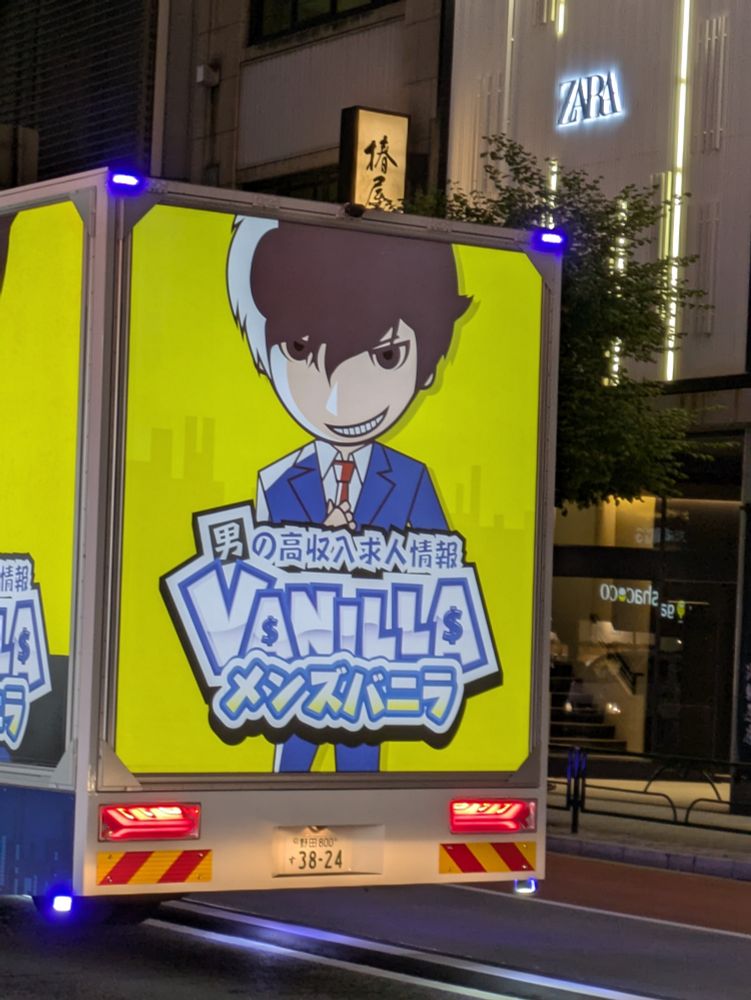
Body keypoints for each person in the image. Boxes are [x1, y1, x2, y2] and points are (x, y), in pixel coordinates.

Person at [227, 217, 471, 771]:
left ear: (427, 367)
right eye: (300, 349)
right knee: (288, 769)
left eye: (386, 357)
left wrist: (363, 559)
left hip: (374, 677)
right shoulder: (276, 480)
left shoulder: (412, 479)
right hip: (291, 675)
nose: (339, 402)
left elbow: (444, 577)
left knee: (362, 772)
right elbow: (251, 584)